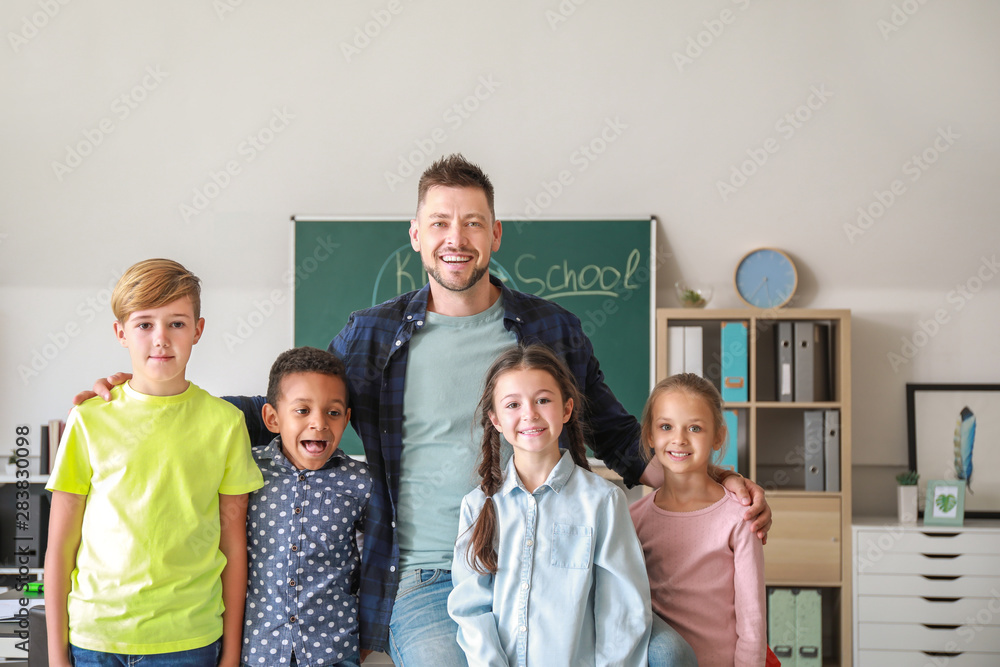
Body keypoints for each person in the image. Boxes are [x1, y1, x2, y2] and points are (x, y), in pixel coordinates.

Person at [77, 155, 771, 664]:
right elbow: (292, 404)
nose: (456, 237)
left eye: (473, 222)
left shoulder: (550, 329)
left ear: (496, 234)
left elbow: (619, 432)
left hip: (557, 557)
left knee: (668, 656)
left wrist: (714, 484)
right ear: (415, 234)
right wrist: (147, 394)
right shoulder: (373, 334)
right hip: (430, 573)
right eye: (440, 221)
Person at [46, 258, 264, 667]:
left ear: (198, 330)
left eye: (176, 323)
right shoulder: (89, 419)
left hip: (190, 640)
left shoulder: (226, 423)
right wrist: (57, 658)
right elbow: (59, 545)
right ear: (121, 333)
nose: (161, 338)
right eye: (144, 324)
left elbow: (233, 546)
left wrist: (231, 654)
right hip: (96, 639)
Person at [449, 345, 651, 666]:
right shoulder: (478, 506)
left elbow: (622, 612)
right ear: (495, 419)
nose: (529, 413)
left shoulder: (602, 502)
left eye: (543, 400)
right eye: (513, 404)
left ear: (567, 409)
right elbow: (472, 608)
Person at [242, 346, 372, 667]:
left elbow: (381, 562)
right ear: (273, 418)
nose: (319, 423)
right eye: (302, 411)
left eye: (333, 412)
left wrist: (369, 635)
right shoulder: (246, 471)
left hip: (333, 649)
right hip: (258, 648)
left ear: (347, 419)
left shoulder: (360, 482)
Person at [630, 374, 767, 667]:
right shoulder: (633, 519)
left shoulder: (739, 516)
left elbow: (752, 620)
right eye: (666, 426)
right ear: (650, 435)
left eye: (695, 428)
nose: (679, 439)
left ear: (718, 436)